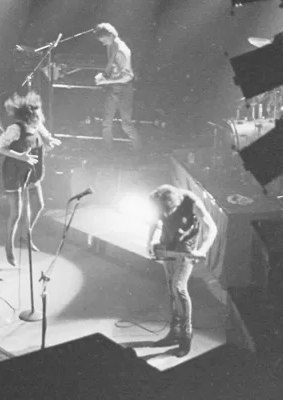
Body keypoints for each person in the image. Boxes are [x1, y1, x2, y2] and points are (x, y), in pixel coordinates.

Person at [147, 184, 217, 357]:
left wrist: (202, 250)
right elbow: (155, 222)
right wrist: (149, 242)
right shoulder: (159, 201)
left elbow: (212, 228)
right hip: (167, 248)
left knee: (179, 289)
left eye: (169, 210)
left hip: (186, 251)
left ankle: (186, 336)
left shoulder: (191, 202)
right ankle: (174, 333)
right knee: (172, 290)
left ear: (176, 202)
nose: (166, 213)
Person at [0, 92, 61, 266]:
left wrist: (49, 140)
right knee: (16, 213)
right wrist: (20, 156)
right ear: (28, 117)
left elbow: (44, 136)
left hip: (31, 169)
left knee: (39, 205)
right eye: (36, 116)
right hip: (14, 171)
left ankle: (25, 236)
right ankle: (9, 248)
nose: (40, 118)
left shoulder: (37, 125)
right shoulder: (15, 129)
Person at [94, 22, 142, 152]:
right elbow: (111, 64)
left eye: (103, 40)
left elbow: (127, 76)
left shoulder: (121, 50)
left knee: (126, 125)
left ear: (110, 35)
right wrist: (104, 75)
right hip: (114, 87)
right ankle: (107, 153)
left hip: (124, 88)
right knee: (106, 123)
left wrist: (105, 81)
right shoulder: (111, 45)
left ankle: (139, 153)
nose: (103, 43)